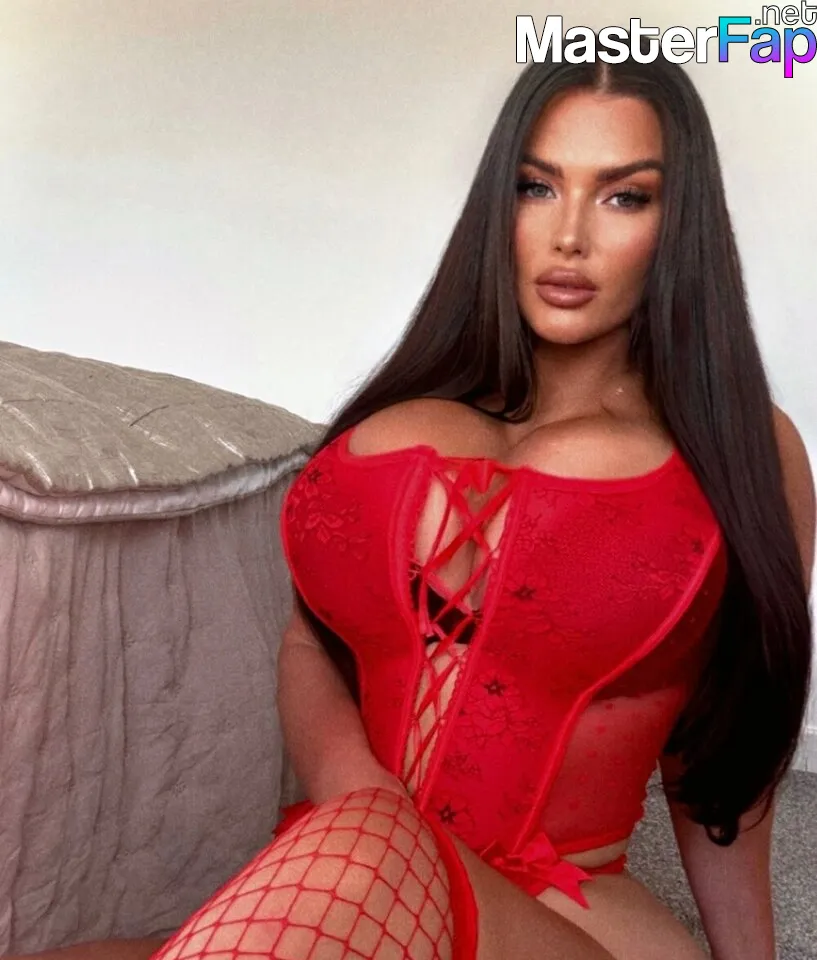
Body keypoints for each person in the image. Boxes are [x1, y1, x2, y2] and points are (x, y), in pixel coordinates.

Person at [29, 42, 814, 960]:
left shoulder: (740, 450)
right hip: (347, 880)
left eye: (623, 197)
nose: (568, 235)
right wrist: (365, 803)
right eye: (535, 187)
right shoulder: (409, 414)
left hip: (567, 919)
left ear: (678, 224)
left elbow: (728, 747)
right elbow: (309, 639)